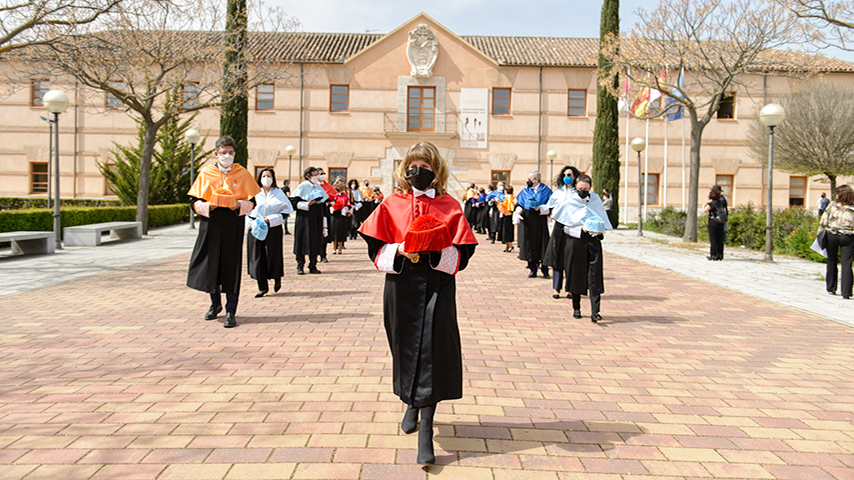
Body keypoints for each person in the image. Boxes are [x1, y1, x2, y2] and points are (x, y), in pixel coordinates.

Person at [358, 141, 477, 465]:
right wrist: (401, 249)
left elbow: (463, 254)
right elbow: (375, 249)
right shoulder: (392, 203)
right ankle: (412, 402)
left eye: (425, 167)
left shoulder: (449, 205)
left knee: (432, 351)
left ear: (436, 171)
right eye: (413, 167)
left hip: (438, 286)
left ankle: (426, 429)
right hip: (401, 286)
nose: (418, 172)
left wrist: (436, 250)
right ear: (404, 169)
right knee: (405, 348)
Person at [186, 136, 260, 328]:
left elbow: (253, 202)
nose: (227, 155)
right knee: (212, 266)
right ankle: (214, 303)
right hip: (211, 224)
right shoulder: (206, 173)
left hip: (232, 225)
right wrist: (207, 206)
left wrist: (238, 204)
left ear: (235, 153)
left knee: (231, 267)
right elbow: (194, 201)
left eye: (231, 152)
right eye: (223, 152)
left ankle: (231, 310)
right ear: (216, 153)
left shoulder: (242, 173)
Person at [543, 167, 587, 314]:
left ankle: (571, 289)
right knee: (557, 256)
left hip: (573, 226)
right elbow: (550, 207)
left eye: (569, 175)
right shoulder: (559, 192)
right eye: (565, 175)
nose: (567, 177)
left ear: (575, 176)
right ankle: (556, 288)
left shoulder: (578, 192)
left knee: (571, 258)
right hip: (559, 226)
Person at [247, 168, 293, 298]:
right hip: (256, 228)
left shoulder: (278, 193)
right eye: (263, 176)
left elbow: (285, 211)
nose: (266, 178)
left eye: (269, 176)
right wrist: (252, 223)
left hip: (273, 228)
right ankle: (262, 287)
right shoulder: (254, 192)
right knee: (258, 256)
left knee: (272, 255)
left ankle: (276, 277)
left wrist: (271, 219)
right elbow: (246, 210)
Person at [514, 171, 553, 278]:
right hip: (528, 221)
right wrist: (518, 209)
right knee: (529, 245)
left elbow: (552, 205)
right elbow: (518, 203)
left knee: (543, 244)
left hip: (540, 220)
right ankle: (532, 269)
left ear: (536, 180)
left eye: (530, 179)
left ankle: (545, 269)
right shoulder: (525, 191)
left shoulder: (546, 190)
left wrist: (541, 208)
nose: (528, 181)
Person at [290, 167, 329, 275]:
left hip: (316, 219)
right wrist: (307, 204)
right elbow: (293, 203)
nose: (317, 176)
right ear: (308, 176)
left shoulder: (318, 187)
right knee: (302, 241)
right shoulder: (302, 187)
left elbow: (324, 201)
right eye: (315, 174)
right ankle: (300, 265)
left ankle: (313, 265)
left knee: (315, 241)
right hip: (304, 219)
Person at [819, 185, 854, 299]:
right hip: (848, 237)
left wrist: (819, 233)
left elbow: (824, 219)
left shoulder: (832, 205)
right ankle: (846, 292)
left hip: (832, 235)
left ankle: (831, 288)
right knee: (847, 264)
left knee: (832, 260)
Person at [700, 187, 727, 261]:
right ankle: (720, 255)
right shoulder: (721, 203)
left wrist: (704, 205)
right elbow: (725, 211)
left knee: (713, 239)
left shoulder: (711, 204)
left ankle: (713, 255)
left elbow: (704, 211)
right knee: (720, 239)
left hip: (713, 222)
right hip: (721, 222)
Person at [316, 168, 337, 263]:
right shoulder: (313, 185)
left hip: (325, 211)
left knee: (325, 233)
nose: (323, 175)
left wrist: (330, 201)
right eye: (321, 174)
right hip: (315, 211)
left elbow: (334, 196)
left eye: (324, 173)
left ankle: (323, 254)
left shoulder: (327, 185)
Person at [330, 179, 352, 255]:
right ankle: (334, 247)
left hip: (342, 215)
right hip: (334, 215)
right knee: (334, 231)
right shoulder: (333, 195)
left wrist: (344, 209)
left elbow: (348, 205)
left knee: (341, 231)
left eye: (337, 187)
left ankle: (340, 247)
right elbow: (330, 203)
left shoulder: (344, 196)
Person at [498, 184, 516, 252]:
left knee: (507, 231)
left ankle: (510, 245)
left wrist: (500, 205)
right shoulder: (511, 197)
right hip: (507, 215)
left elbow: (508, 207)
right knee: (506, 231)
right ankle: (507, 245)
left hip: (507, 216)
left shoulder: (509, 198)